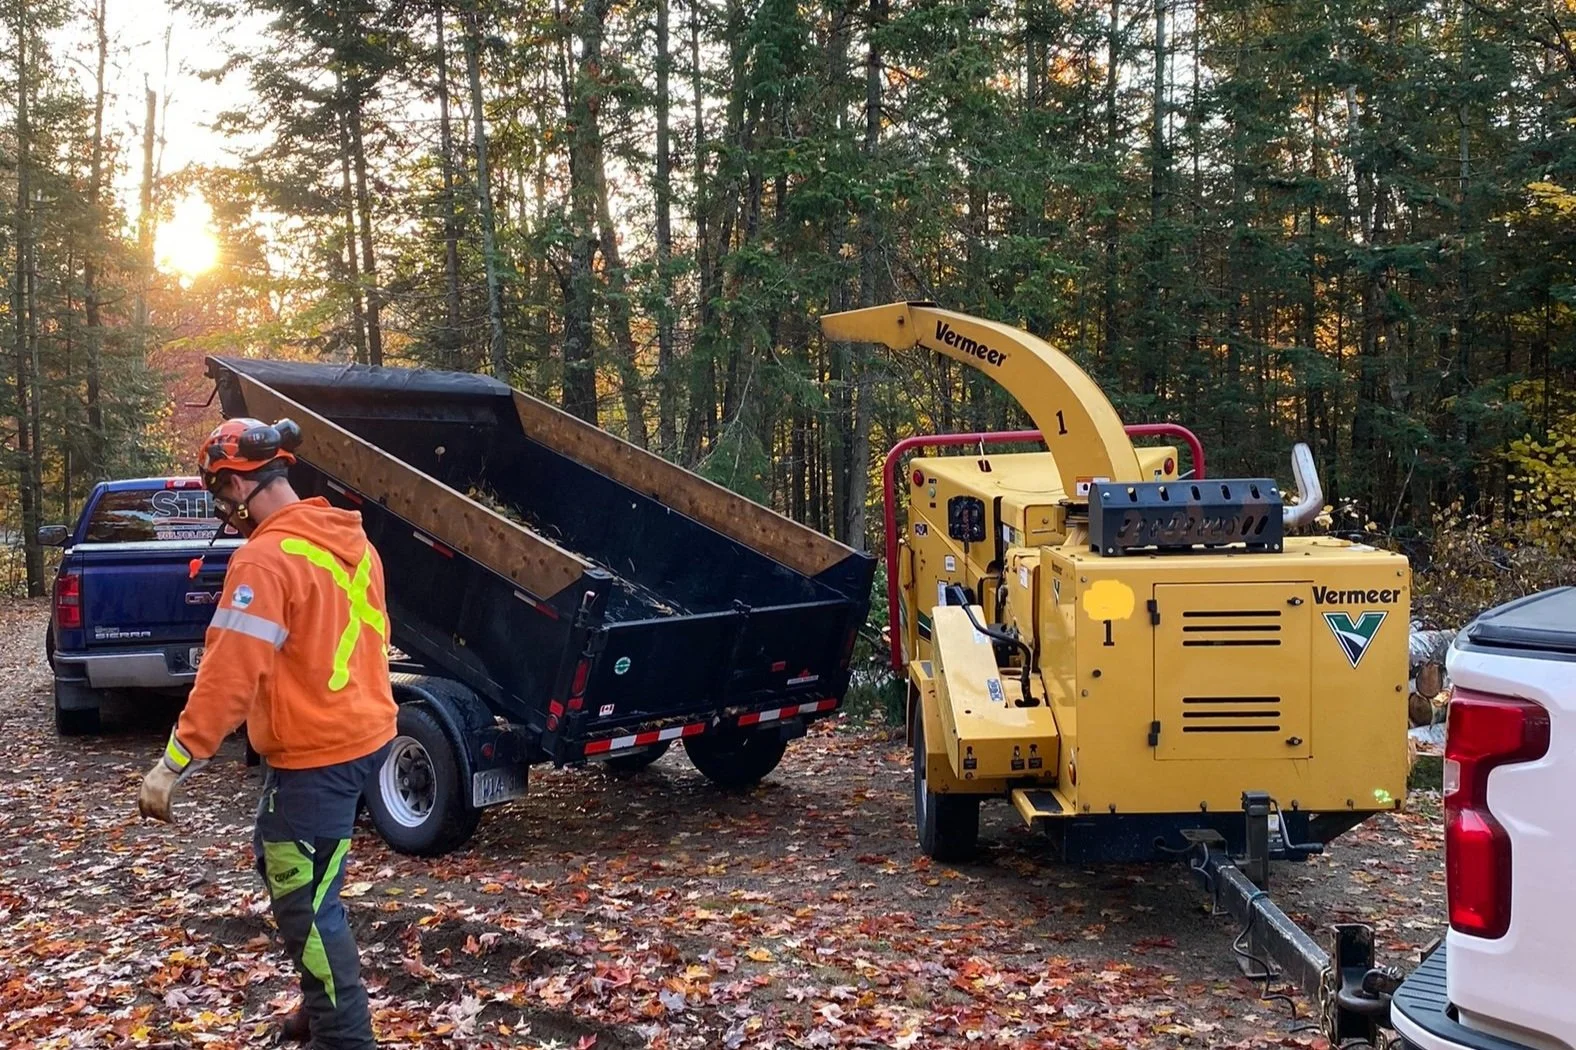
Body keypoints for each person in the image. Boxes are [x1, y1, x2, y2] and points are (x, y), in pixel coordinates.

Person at [138, 417, 398, 1049]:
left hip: (317, 754)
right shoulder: (352, 542)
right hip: (365, 735)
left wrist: (174, 764)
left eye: (220, 491)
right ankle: (320, 1003)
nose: (223, 505)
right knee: (295, 865)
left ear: (237, 481)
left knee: (304, 901)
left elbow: (230, 673)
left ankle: (344, 1036)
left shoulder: (265, 558)